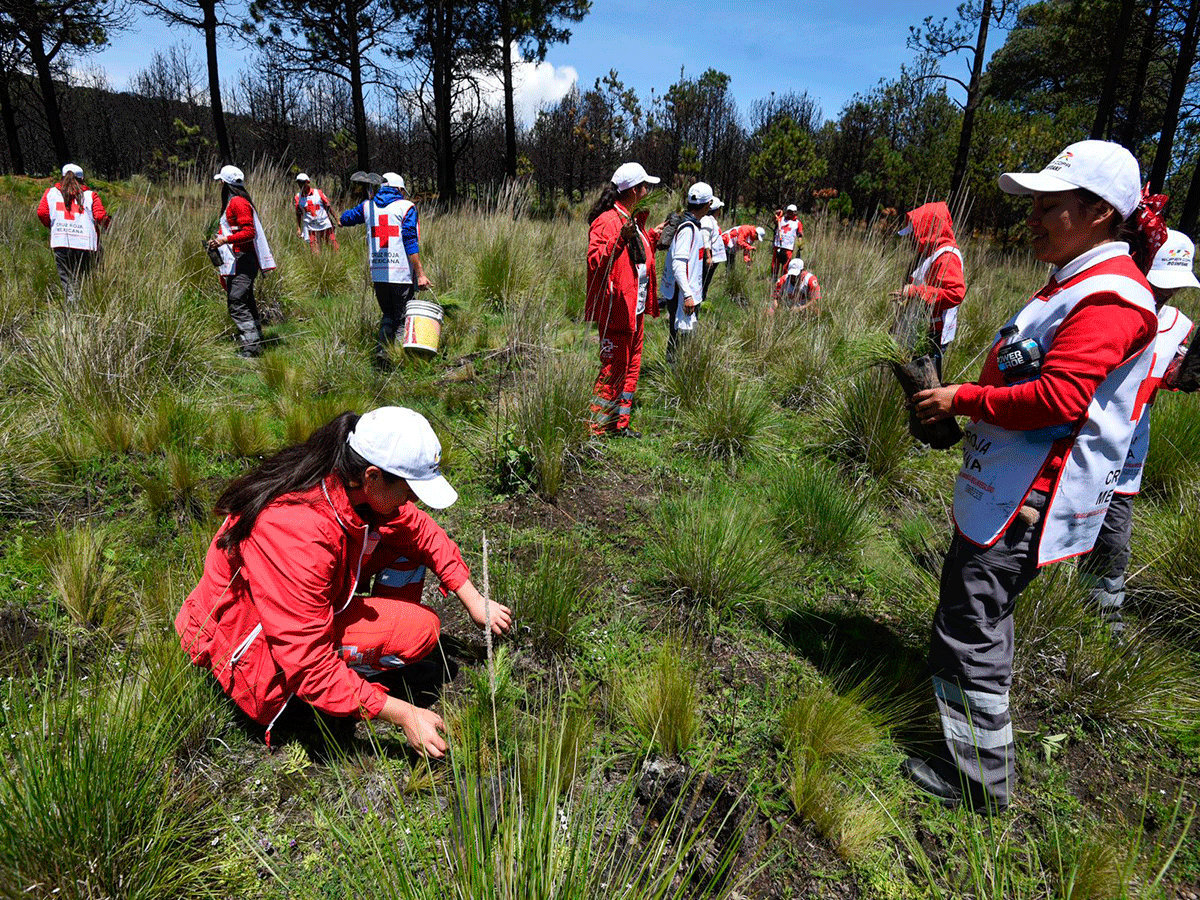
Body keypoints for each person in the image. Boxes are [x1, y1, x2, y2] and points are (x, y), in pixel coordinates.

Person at [907, 140, 1160, 813]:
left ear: (1101, 212)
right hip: (1009, 487)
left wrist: (960, 398)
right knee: (982, 617)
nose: (1034, 217)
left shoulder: (1110, 296)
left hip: (1028, 499)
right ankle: (984, 758)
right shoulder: (1077, 281)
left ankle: (982, 784)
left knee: (969, 622)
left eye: (1051, 205)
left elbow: (1058, 400)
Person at [176, 406, 513, 756]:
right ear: (372, 477)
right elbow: (308, 663)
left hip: (290, 615)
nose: (413, 500)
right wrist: (402, 714)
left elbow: (419, 529)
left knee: (405, 550)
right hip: (251, 657)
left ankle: (365, 673)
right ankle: (317, 702)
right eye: (411, 488)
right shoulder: (297, 532)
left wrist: (473, 598)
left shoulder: (341, 482)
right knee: (422, 632)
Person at [1078, 227, 1197, 634]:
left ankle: (1103, 617)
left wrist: (1185, 375)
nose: (1166, 293)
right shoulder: (1110, 301)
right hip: (1078, 434)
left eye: (1174, 286)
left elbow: (1167, 374)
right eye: (1160, 281)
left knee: (1113, 533)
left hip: (1128, 447)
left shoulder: (1180, 326)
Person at [584, 161, 662, 437]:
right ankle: (595, 429)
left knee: (631, 365)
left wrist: (651, 238)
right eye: (644, 187)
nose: (647, 191)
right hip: (616, 307)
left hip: (634, 308)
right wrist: (619, 239)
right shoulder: (607, 221)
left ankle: (619, 424)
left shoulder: (633, 221)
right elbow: (596, 260)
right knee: (613, 366)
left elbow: (634, 259)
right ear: (632, 190)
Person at [340, 172, 431, 364]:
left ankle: (382, 353)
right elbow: (410, 241)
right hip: (401, 274)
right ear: (398, 189)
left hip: (378, 273)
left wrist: (369, 201)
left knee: (388, 313)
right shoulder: (406, 207)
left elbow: (345, 219)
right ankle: (398, 359)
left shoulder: (368, 206)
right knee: (401, 317)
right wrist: (421, 274)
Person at [209, 165, 276, 357]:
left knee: (236, 302)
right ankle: (257, 341)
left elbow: (249, 232)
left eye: (221, 181)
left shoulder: (238, 202)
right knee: (246, 300)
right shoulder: (238, 200)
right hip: (242, 258)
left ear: (225, 183)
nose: (220, 184)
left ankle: (251, 348)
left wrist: (224, 240)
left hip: (243, 259)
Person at [892, 201, 966, 369]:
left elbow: (955, 294)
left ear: (928, 229)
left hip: (934, 334)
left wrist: (915, 292)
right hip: (920, 330)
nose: (911, 239)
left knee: (927, 387)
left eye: (915, 234)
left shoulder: (946, 256)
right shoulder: (929, 252)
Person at [36, 163, 110, 303]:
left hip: (61, 242)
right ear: (82, 179)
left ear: (62, 177)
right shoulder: (90, 196)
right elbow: (100, 217)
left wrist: (52, 226)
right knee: (86, 281)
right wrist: (108, 226)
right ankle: (89, 307)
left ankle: (72, 314)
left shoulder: (51, 193)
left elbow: (41, 212)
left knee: (68, 284)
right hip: (86, 244)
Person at [661, 182, 712, 363]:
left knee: (681, 334)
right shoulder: (688, 229)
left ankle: (678, 368)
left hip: (683, 292)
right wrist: (688, 295)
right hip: (681, 294)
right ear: (708, 205)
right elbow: (678, 264)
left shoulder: (690, 225)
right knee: (679, 335)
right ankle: (674, 371)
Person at [294, 173, 339, 252]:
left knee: (333, 246)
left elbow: (328, 206)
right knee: (315, 250)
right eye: (299, 183)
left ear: (307, 182)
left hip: (324, 224)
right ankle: (317, 263)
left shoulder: (318, 193)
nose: (301, 185)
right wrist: (299, 228)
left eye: (303, 182)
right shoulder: (298, 197)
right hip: (311, 227)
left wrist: (337, 220)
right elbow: (298, 213)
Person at [700, 196, 725, 302]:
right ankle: (700, 301)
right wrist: (708, 256)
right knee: (703, 281)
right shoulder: (707, 220)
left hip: (713, 257)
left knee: (706, 281)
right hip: (709, 256)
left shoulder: (712, 221)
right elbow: (705, 238)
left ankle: (702, 300)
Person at [771, 204, 803, 278]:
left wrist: (799, 244)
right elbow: (774, 220)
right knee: (775, 264)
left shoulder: (797, 223)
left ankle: (784, 279)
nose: (789, 213)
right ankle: (774, 279)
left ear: (795, 212)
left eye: (791, 212)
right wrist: (776, 214)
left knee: (786, 265)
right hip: (778, 245)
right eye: (788, 211)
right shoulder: (781, 219)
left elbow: (800, 234)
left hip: (788, 247)